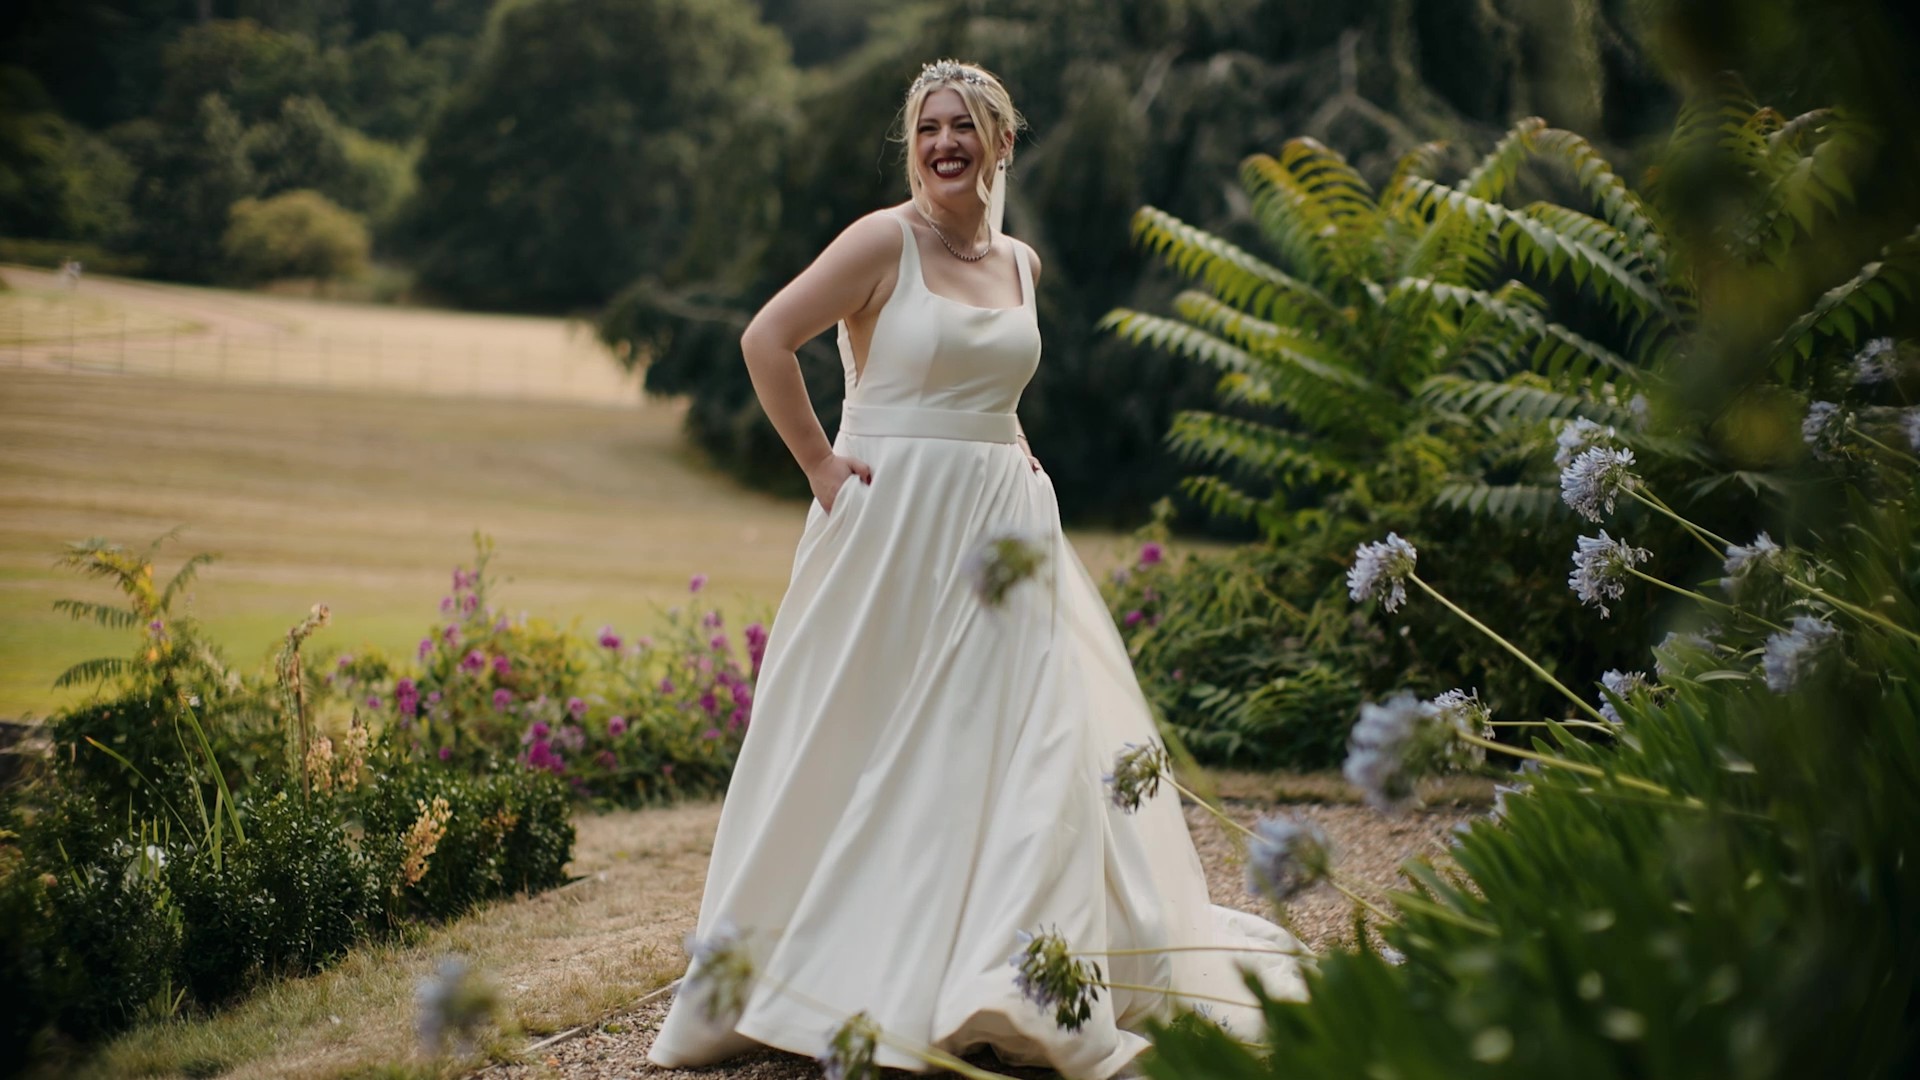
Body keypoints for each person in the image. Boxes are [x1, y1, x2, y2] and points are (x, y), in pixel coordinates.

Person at [645, 60, 1306, 1079]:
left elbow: (986, 383)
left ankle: (1009, 977)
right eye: (928, 128)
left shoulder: (1022, 263)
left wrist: (1016, 450)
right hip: (891, 529)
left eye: (965, 127)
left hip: (1003, 529)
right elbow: (767, 338)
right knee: (858, 735)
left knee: (1026, 741)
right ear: (913, 145)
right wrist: (823, 467)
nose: (945, 143)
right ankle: (815, 969)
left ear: (1002, 142)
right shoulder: (882, 241)